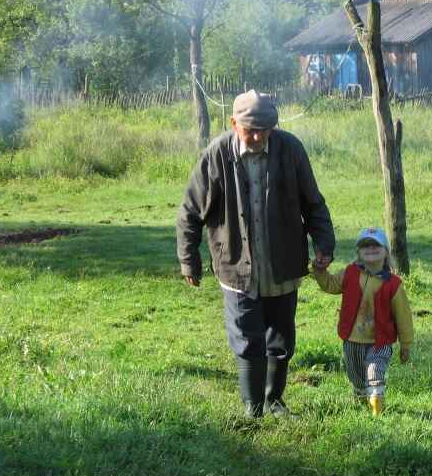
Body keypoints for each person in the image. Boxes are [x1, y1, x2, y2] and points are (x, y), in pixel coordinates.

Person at [177, 90, 335, 418]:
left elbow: (313, 203)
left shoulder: (290, 149)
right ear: (234, 123)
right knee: (247, 337)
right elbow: (190, 210)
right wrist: (189, 259)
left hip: (282, 262)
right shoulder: (217, 154)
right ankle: (253, 408)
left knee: (281, 336)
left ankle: (275, 401)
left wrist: (325, 245)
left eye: (265, 129)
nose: (258, 136)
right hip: (235, 264)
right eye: (250, 129)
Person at [311, 227, 414, 415]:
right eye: (365, 245)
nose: (371, 248)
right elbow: (330, 285)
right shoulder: (349, 273)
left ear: (386, 251)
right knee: (356, 377)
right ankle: (360, 404)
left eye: (376, 245)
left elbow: (404, 317)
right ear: (358, 252)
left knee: (374, 373)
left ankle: (377, 415)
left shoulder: (393, 284)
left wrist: (405, 344)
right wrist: (320, 272)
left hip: (380, 341)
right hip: (352, 339)